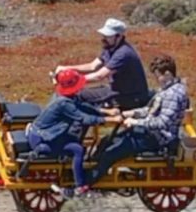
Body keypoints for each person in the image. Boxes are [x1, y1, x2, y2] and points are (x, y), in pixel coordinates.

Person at [81, 54, 189, 189]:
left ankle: (84, 184)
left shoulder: (173, 94)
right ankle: (94, 175)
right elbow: (150, 110)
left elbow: (162, 123)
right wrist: (129, 113)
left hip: (156, 138)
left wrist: (135, 122)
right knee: (106, 141)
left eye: (158, 76)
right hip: (147, 132)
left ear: (167, 74)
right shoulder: (168, 89)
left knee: (111, 153)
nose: (157, 80)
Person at [24, 68, 110, 192]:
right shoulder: (64, 103)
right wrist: (108, 119)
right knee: (77, 149)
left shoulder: (64, 97)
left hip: (44, 134)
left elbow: (82, 106)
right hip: (43, 138)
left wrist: (104, 112)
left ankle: (72, 171)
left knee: (75, 142)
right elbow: (83, 118)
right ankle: (80, 186)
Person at [53, 18, 149, 111]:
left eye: (108, 36)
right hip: (116, 90)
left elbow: (99, 76)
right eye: (104, 35)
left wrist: (71, 81)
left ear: (118, 36)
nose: (104, 39)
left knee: (79, 96)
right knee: (81, 94)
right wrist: (67, 69)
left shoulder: (123, 53)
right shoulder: (109, 48)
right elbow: (92, 66)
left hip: (130, 96)